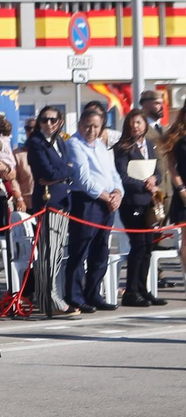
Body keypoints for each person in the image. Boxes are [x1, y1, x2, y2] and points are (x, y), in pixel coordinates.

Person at [66, 109, 122, 313]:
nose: (91, 130)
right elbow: (84, 178)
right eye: (88, 125)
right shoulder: (74, 143)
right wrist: (107, 197)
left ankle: (93, 293)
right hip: (87, 201)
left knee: (101, 251)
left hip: (107, 201)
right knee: (80, 250)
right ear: (80, 124)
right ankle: (75, 297)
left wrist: (118, 193)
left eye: (96, 126)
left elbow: (113, 172)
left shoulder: (100, 144)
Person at [27, 106, 79, 316]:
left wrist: (64, 171)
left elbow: (72, 168)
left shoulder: (61, 142)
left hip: (63, 200)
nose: (48, 124)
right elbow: (46, 171)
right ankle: (48, 299)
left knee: (57, 253)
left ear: (60, 122)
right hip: (47, 203)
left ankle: (49, 296)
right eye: (44, 120)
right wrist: (64, 171)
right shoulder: (36, 142)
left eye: (53, 120)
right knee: (49, 252)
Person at [114, 109, 164, 307]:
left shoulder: (149, 145)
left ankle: (143, 289)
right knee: (138, 245)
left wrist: (155, 180)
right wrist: (143, 183)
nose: (136, 126)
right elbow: (122, 176)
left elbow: (158, 170)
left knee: (148, 247)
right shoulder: (122, 148)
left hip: (149, 202)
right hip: (132, 201)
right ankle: (131, 291)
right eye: (132, 122)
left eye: (139, 122)